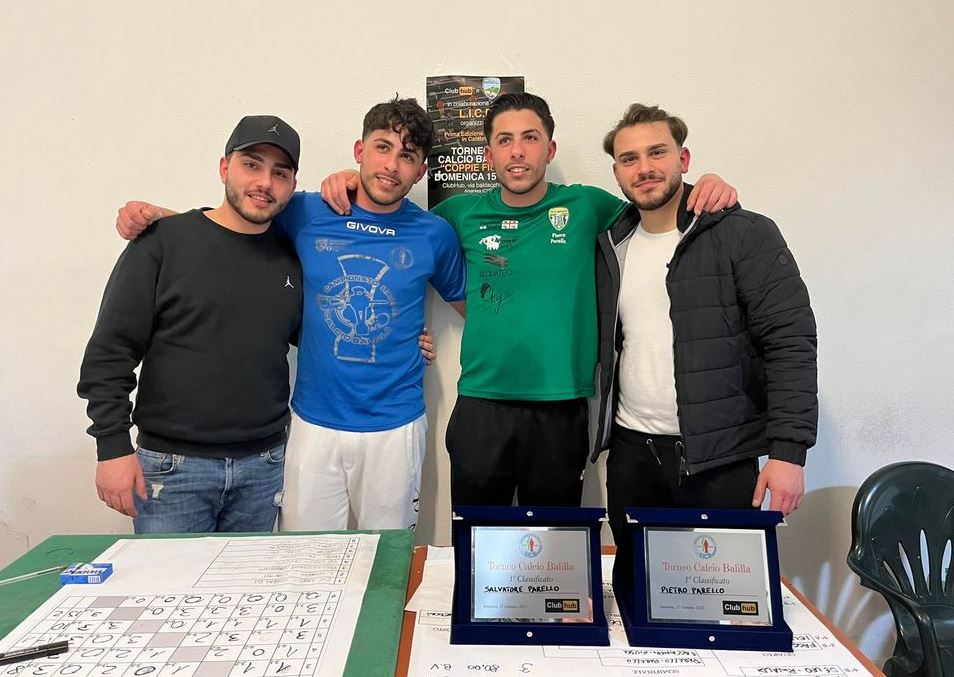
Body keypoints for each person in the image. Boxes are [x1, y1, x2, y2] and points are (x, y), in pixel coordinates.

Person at [320, 92, 738, 509]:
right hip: (481, 405)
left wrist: (704, 186)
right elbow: (395, 230)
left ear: (549, 150)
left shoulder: (586, 206)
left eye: (530, 138)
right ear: (489, 154)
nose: (517, 151)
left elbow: (657, 208)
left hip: (562, 407)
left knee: (557, 539)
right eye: (504, 140)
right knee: (476, 537)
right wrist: (353, 181)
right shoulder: (458, 214)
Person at [115, 98, 465, 531]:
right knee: (302, 557)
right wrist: (158, 219)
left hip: (396, 425)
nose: (391, 165)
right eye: (382, 147)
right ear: (360, 150)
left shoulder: (435, 234)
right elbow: (230, 227)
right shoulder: (305, 211)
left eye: (407, 156)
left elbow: (471, 307)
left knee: (390, 554)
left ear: (421, 171)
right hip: (311, 423)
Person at [593, 103, 817, 541]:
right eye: (629, 159)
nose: (644, 168)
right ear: (617, 174)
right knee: (635, 578)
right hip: (632, 455)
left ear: (684, 158)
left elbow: (790, 342)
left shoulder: (743, 234)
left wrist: (788, 453)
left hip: (720, 459)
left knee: (722, 583)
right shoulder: (610, 245)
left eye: (657, 152)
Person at [78, 115, 303, 533]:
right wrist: (112, 447)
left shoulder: (292, 257)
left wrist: (406, 338)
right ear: (224, 168)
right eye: (251, 164)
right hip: (172, 470)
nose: (265, 183)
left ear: (292, 185)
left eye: (280, 173)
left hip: (264, 467)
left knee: (247, 579)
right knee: (164, 579)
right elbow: (111, 350)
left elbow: (317, 335)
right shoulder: (163, 241)